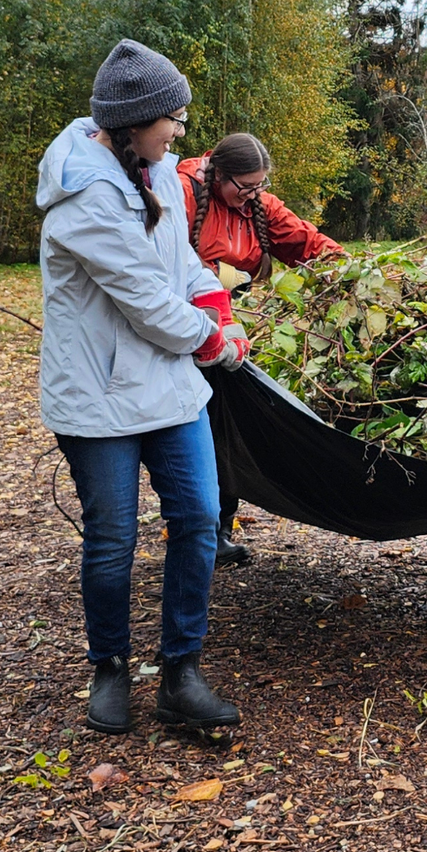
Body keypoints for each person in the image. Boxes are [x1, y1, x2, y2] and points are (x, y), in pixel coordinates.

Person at [36, 38, 249, 733]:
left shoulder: (154, 171)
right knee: (112, 537)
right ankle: (110, 667)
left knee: (197, 518)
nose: (181, 132)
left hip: (164, 383)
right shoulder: (85, 195)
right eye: (174, 119)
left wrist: (214, 303)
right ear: (134, 120)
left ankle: (181, 672)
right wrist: (212, 341)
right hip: (98, 394)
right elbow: (146, 303)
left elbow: (179, 263)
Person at [174, 132, 344, 567]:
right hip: (191, 326)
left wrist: (349, 272)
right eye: (243, 187)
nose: (251, 195)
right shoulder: (183, 192)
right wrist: (213, 320)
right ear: (218, 174)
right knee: (206, 428)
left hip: (241, 332)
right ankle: (200, 533)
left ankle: (218, 530)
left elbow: (307, 243)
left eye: (259, 187)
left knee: (233, 426)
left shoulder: (259, 208)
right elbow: (169, 260)